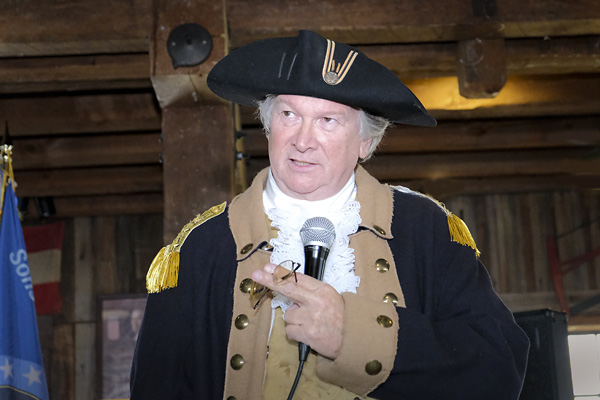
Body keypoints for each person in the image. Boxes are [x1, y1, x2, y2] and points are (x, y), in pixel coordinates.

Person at [130, 30, 529, 400]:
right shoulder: (201, 246)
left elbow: (498, 370)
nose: (303, 140)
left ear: (365, 142)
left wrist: (353, 335)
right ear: (268, 125)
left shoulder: (424, 230)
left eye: (327, 120)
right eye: (289, 115)